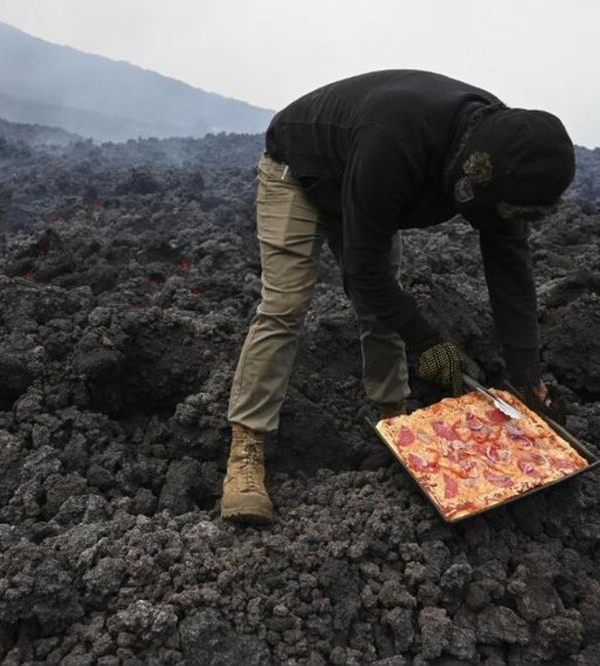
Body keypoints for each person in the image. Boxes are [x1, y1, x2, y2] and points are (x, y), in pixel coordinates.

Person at [220, 70, 576, 525]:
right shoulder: (397, 143)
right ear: (472, 172)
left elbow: (510, 271)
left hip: (366, 178)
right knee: (286, 305)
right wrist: (429, 342)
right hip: (301, 172)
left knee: (380, 312)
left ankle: (395, 423)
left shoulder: (510, 154)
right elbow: (364, 272)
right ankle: (245, 452)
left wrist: (527, 378)